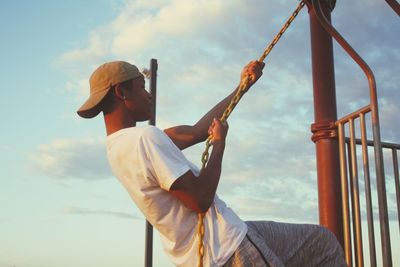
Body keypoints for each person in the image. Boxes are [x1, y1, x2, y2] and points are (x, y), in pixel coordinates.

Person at [77, 60, 346, 267]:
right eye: (141, 86)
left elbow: (196, 131)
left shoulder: (118, 147)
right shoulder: (144, 138)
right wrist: (219, 145)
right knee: (324, 246)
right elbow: (199, 199)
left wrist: (243, 86)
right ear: (121, 91)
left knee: (322, 243)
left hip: (223, 239)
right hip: (228, 249)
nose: (149, 95)